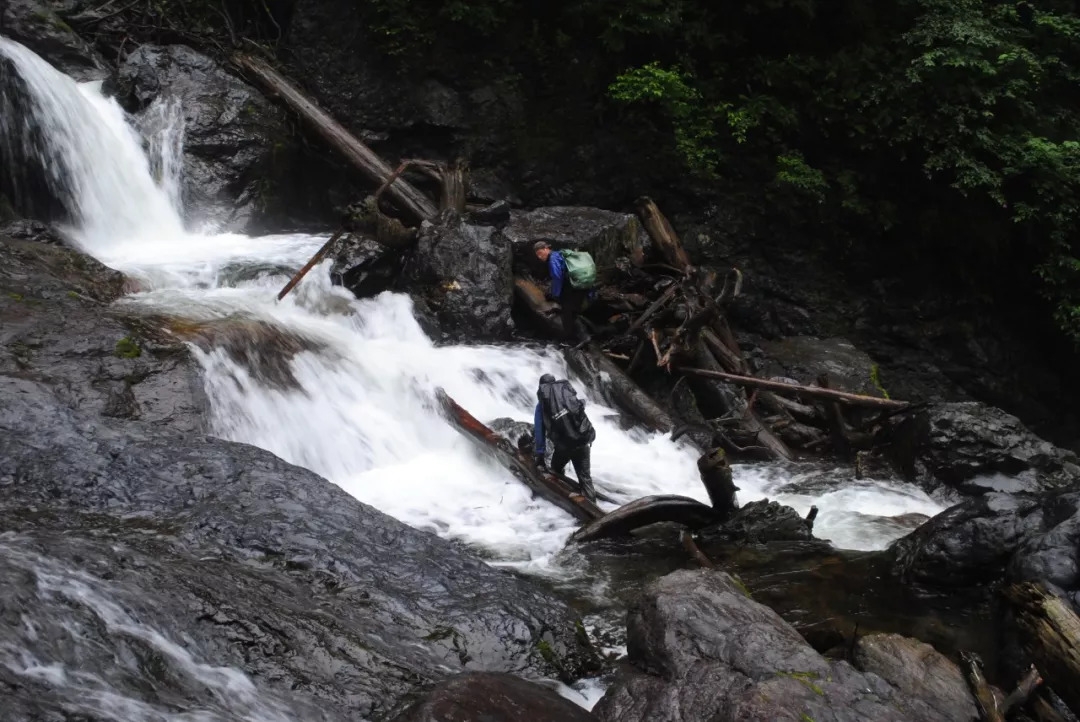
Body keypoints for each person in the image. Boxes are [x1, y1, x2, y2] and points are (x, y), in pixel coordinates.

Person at [533, 373, 597, 501]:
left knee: (555, 469)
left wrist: (540, 455)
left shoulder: (542, 406)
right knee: (585, 478)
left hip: (565, 447)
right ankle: (593, 505)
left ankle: (561, 495)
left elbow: (539, 432)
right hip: (583, 441)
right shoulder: (566, 395)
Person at [533, 240, 591, 342]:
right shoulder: (561, 254)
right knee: (573, 312)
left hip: (572, 287)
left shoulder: (553, 258)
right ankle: (582, 337)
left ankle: (569, 339)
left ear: (546, 249)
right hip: (580, 285)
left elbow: (557, 276)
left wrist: (555, 294)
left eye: (540, 253)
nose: (539, 257)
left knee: (567, 313)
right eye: (537, 255)